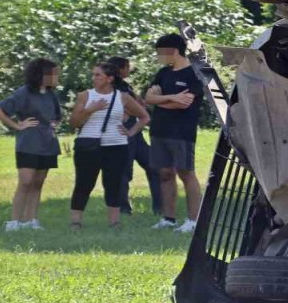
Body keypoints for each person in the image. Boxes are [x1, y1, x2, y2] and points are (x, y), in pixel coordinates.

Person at [67, 62, 150, 229]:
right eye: (93, 74)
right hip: (88, 145)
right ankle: (76, 222)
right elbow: (74, 123)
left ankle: (114, 222)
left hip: (116, 145)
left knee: (113, 184)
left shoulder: (122, 97)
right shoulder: (85, 96)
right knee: (84, 183)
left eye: (98, 75)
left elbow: (144, 117)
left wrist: (131, 132)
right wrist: (90, 109)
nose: (94, 78)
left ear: (110, 78)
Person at [0, 58, 62, 232]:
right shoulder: (24, 92)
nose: (57, 76)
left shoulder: (52, 94)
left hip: (48, 143)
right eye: (54, 73)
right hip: (28, 143)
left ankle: (32, 220)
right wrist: (17, 125)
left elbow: (58, 115)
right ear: (42, 74)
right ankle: (14, 222)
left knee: (38, 183)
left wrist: (54, 123)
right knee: (26, 181)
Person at [145, 33, 205, 233]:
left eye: (161, 53)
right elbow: (148, 98)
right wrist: (170, 99)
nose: (159, 57)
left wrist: (161, 100)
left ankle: (193, 220)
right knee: (164, 173)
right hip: (159, 130)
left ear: (174, 51)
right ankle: (168, 218)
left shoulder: (194, 74)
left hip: (182, 132)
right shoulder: (163, 73)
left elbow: (185, 103)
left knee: (186, 173)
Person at [107, 56, 162, 216]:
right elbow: (131, 107)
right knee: (124, 171)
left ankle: (159, 207)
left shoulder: (125, 86)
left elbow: (138, 104)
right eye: (127, 67)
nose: (129, 69)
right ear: (120, 69)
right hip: (123, 131)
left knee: (153, 166)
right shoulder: (113, 87)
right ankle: (123, 209)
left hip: (135, 132)